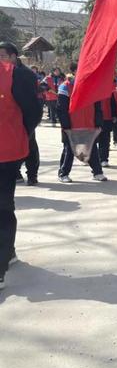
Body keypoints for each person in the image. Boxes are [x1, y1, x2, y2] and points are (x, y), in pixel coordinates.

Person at [0, 43, 42, 289]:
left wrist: (19, 133)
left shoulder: (17, 75)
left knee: (2, 206)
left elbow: (33, 111)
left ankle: (1, 266)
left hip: (6, 153)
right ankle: (9, 251)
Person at [56, 62, 107, 183]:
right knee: (69, 150)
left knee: (92, 149)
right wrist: (66, 125)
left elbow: (98, 108)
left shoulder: (92, 86)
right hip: (72, 126)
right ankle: (63, 173)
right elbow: (61, 109)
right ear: (74, 71)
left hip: (89, 125)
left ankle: (97, 172)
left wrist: (98, 123)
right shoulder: (65, 87)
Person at [0, 47, 41, 187]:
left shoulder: (25, 74)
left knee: (30, 147)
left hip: (23, 122)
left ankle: (32, 175)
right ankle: (16, 173)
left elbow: (33, 104)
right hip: (6, 125)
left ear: (13, 56)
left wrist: (25, 127)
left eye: (2, 55)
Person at [97, 77, 117, 168]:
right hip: (93, 118)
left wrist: (114, 115)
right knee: (93, 140)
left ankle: (104, 159)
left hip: (107, 117)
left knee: (105, 140)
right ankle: (91, 158)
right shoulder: (91, 88)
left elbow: (113, 103)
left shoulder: (109, 89)